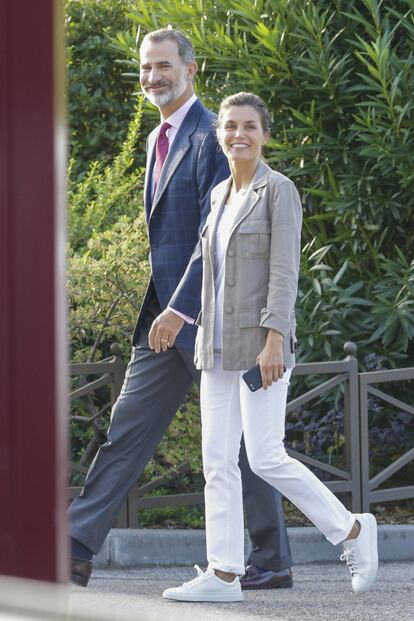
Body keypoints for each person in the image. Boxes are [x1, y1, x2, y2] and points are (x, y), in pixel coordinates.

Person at [69, 29, 294, 590]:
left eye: (163, 66)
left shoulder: (216, 134)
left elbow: (213, 238)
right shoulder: (156, 139)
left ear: (191, 70)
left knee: (248, 446)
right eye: (146, 68)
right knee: (128, 426)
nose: (153, 77)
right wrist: (166, 313)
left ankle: (271, 561)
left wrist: (180, 309)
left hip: (216, 317)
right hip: (165, 322)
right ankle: (73, 548)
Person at [161, 92, 379, 603]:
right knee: (216, 459)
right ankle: (224, 574)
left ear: (265, 134)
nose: (239, 134)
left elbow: (284, 271)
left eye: (250, 126)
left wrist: (275, 338)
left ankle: (350, 530)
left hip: (259, 346)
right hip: (213, 347)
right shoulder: (219, 195)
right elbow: (203, 263)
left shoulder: (278, 191)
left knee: (264, 457)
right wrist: (177, 311)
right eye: (230, 126)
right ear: (220, 135)